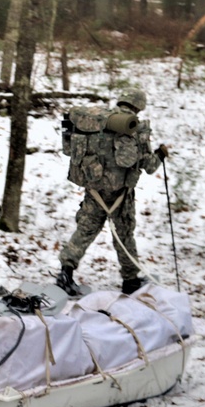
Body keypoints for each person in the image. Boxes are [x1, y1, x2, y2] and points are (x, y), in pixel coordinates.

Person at [56, 88, 168, 296]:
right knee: (124, 235)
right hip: (121, 195)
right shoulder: (135, 128)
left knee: (85, 230)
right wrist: (160, 154)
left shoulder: (95, 123)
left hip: (95, 189)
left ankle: (65, 273)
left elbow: (70, 150)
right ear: (138, 106)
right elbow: (149, 166)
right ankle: (130, 280)